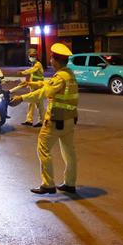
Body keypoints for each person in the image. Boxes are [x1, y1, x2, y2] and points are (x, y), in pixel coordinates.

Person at [11, 43, 79, 195]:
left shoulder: (60, 77)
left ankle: (48, 184)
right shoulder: (68, 75)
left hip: (56, 121)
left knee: (44, 149)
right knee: (69, 153)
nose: (50, 61)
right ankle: (70, 183)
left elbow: (43, 92)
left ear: (55, 60)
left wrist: (21, 98)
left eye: (52, 58)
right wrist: (30, 83)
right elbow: (46, 83)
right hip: (70, 120)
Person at [11, 48, 45, 127]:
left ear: (36, 56)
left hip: (38, 86)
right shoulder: (34, 64)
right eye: (30, 56)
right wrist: (28, 83)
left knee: (39, 104)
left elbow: (31, 71)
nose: (31, 57)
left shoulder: (38, 64)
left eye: (33, 56)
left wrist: (22, 72)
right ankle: (29, 120)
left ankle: (41, 121)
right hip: (33, 86)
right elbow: (32, 75)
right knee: (31, 103)